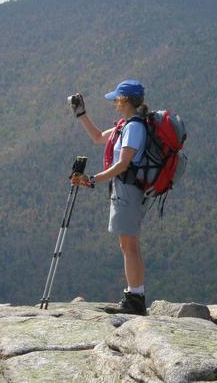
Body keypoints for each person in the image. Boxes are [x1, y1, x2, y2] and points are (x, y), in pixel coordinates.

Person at [70, 79, 148, 315]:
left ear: (124, 100)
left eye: (116, 98)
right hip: (124, 189)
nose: (114, 101)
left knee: (130, 246)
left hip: (128, 189)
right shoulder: (125, 125)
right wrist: (81, 114)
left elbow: (123, 164)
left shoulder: (133, 127)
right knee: (127, 245)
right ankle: (134, 295)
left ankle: (135, 299)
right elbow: (97, 138)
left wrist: (93, 179)